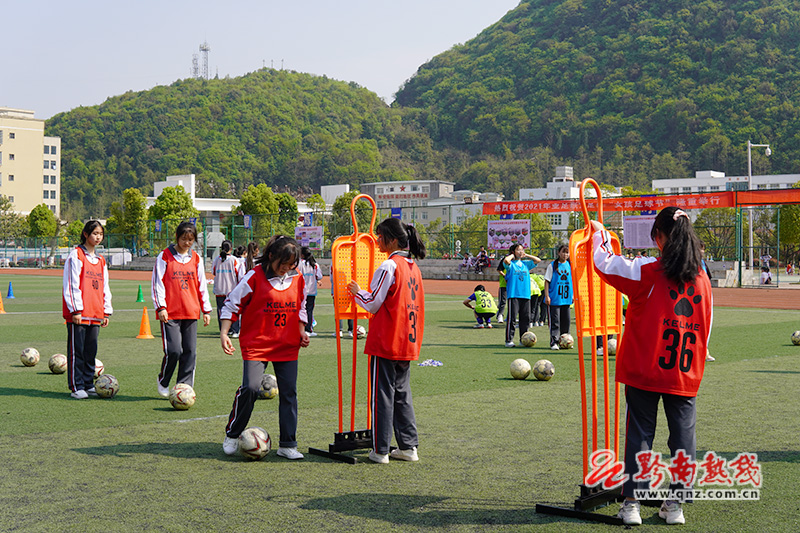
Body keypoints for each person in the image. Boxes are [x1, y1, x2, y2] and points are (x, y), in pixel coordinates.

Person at [591, 206, 712, 526]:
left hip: (646, 367)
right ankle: (676, 505)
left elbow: (605, 264)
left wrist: (599, 234)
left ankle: (631, 503)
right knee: (684, 438)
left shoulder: (649, 269)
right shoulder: (702, 277)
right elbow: (707, 325)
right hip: (685, 370)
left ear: (658, 238)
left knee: (640, 435)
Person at [221, 235, 310, 460]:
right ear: (271, 257)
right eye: (283, 264)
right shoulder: (254, 277)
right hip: (257, 345)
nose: (287, 269)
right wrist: (224, 332)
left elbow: (301, 307)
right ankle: (232, 433)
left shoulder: (298, 279)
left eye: (292, 265)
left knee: (289, 393)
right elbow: (232, 303)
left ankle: (288, 444)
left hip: (287, 345)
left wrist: (301, 331)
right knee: (250, 388)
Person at [348, 218, 426, 464]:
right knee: (402, 393)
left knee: (382, 394)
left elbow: (372, 302)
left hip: (387, 339)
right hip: (408, 339)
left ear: (392, 239)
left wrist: (356, 290)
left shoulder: (389, 266)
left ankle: (380, 450)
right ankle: (408, 446)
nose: (378, 241)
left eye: (380, 237)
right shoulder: (413, 266)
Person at [151, 221, 213, 398]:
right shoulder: (164, 256)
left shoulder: (196, 259)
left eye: (190, 239)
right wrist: (161, 307)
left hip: (191, 311)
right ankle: (163, 380)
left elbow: (201, 285)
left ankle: (183, 387)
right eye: (184, 239)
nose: (187, 243)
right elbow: (157, 283)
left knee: (190, 352)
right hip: (169, 313)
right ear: (177, 237)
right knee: (174, 350)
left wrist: (206, 310)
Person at [62, 220, 113, 399]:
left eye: (100, 234)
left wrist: (106, 310)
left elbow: (105, 286)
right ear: (85, 234)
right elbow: (71, 284)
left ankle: (88, 383)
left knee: (91, 351)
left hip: (96, 312)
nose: (98, 237)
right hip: (80, 313)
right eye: (94, 233)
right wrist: (76, 310)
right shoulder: (76, 255)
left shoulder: (100, 260)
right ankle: (76, 386)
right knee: (78, 351)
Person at [502, 244, 541, 348]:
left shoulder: (525, 264)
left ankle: (523, 339)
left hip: (525, 295)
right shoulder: (511, 265)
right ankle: (509, 340)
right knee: (512, 318)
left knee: (525, 318)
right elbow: (506, 261)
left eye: (522, 250)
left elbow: (538, 260)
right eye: (518, 250)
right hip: (514, 294)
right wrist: (512, 255)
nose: (520, 251)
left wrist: (526, 254)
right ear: (513, 252)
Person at [211, 240, 245, 337]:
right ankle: (235, 330)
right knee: (233, 309)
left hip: (219, 289)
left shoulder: (216, 259)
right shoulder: (234, 260)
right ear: (231, 248)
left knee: (221, 310)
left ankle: (225, 329)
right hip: (232, 290)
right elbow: (240, 275)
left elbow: (213, 272)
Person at [544, 244, 573, 350]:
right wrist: (547, 296)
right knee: (555, 322)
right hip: (555, 299)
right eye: (563, 252)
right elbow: (547, 281)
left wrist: (573, 295)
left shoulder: (570, 265)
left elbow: (573, 281)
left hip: (566, 299)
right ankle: (554, 342)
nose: (565, 254)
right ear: (558, 253)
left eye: (567, 252)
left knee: (566, 321)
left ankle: (565, 341)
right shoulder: (552, 265)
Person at [298, 247, 323, 337]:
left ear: (302, 255)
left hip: (301, 290)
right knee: (309, 310)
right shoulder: (315, 265)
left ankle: (301, 328)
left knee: (301, 309)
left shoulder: (300, 264)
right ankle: (309, 329)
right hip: (311, 291)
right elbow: (319, 276)